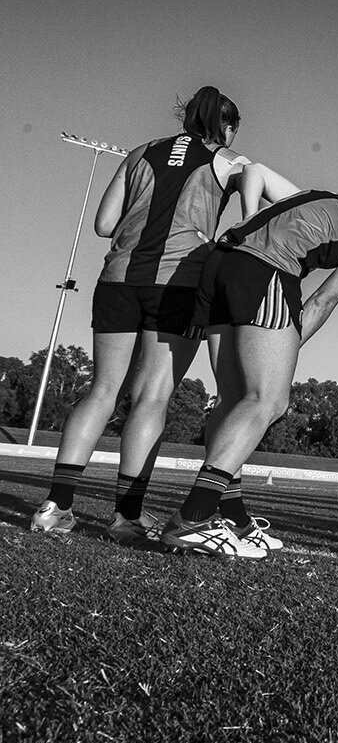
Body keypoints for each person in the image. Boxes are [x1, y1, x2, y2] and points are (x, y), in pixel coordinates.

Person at [30, 86, 296, 544]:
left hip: (118, 277)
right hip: (178, 283)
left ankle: (56, 506)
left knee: (102, 390)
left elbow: (104, 225)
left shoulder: (138, 154)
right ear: (227, 127)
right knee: (152, 396)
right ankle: (125, 517)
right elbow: (286, 196)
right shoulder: (227, 159)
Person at [158, 187, 338, 557]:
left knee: (234, 400)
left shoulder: (334, 201)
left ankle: (234, 519)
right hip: (263, 270)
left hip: (219, 265)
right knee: (269, 399)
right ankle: (191, 518)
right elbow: (322, 300)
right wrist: (283, 351)